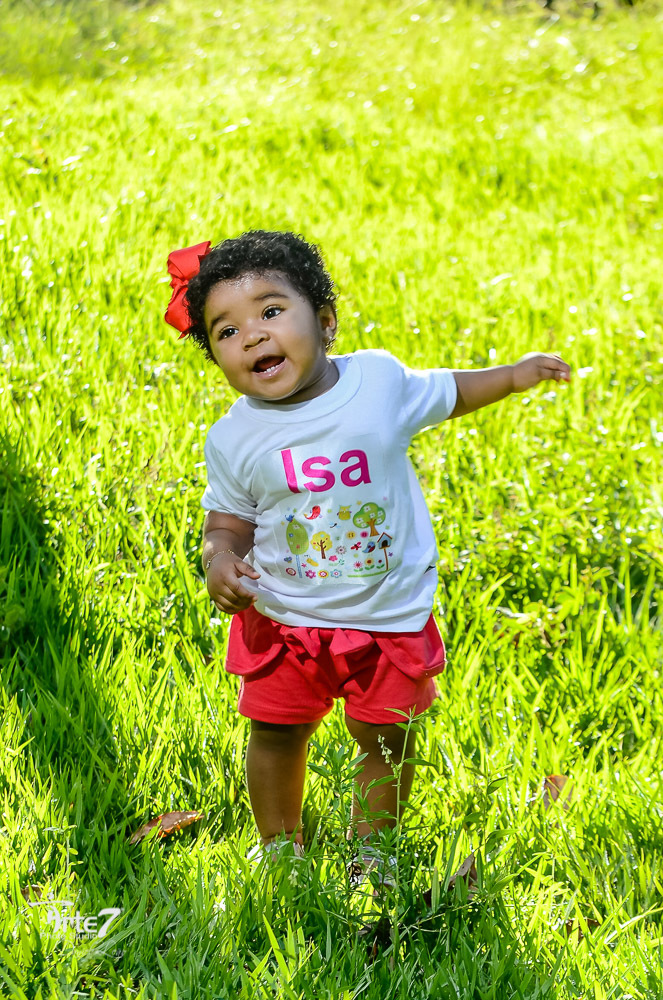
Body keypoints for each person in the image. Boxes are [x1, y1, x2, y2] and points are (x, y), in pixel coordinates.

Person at [164, 230, 571, 879]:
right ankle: (280, 850)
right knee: (275, 733)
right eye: (227, 330)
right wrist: (219, 560)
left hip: (385, 616)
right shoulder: (235, 436)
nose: (253, 335)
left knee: (386, 739)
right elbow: (229, 520)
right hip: (285, 618)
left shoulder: (377, 383)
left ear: (325, 322)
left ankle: (372, 855)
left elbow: (450, 391)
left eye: (272, 311)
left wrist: (514, 376)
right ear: (215, 357)